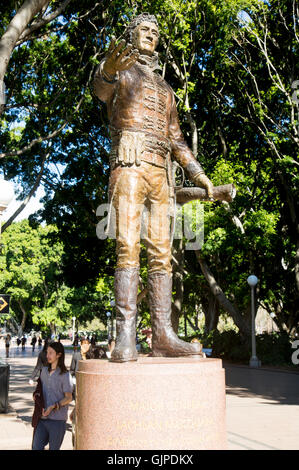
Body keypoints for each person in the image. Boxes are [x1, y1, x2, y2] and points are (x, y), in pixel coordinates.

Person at [93, 13, 212, 362]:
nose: (151, 35)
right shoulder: (120, 69)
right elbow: (100, 90)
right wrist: (107, 70)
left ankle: (162, 334)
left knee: (163, 253)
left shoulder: (166, 90)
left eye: (156, 32)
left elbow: (177, 139)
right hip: (129, 164)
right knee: (127, 246)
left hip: (162, 173)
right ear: (131, 35)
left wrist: (199, 175)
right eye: (145, 30)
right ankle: (126, 336)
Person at [31, 342, 73, 451]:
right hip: (42, 418)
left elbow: (69, 398)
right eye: (47, 352)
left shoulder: (65, 375)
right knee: (36, 447)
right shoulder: (44, 371)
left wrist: (53, 406)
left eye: (51, 353)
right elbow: (39, 390)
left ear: (58, 355)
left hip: (58, 421)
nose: (47, 356)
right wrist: (36, 396)